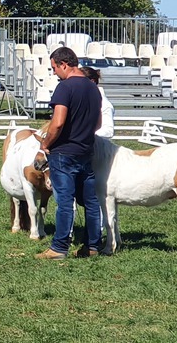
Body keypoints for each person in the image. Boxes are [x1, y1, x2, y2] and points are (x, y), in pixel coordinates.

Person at [37, 47, 103, 259]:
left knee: (65, 202)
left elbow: (57, 123)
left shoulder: (64, 88)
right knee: (91, 202)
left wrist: (45, 144)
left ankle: (58, 247)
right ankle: (93, 246)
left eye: (54, 68)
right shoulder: (93, 88)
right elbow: (98, 123)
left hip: (64, 153)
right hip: (86, 151)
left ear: (64, 64)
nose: (54, 73)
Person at [80, 66, 115, 138]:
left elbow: (108, 131)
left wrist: (84, 136)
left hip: (97, 146)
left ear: (92, 81)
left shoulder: (104, 104)